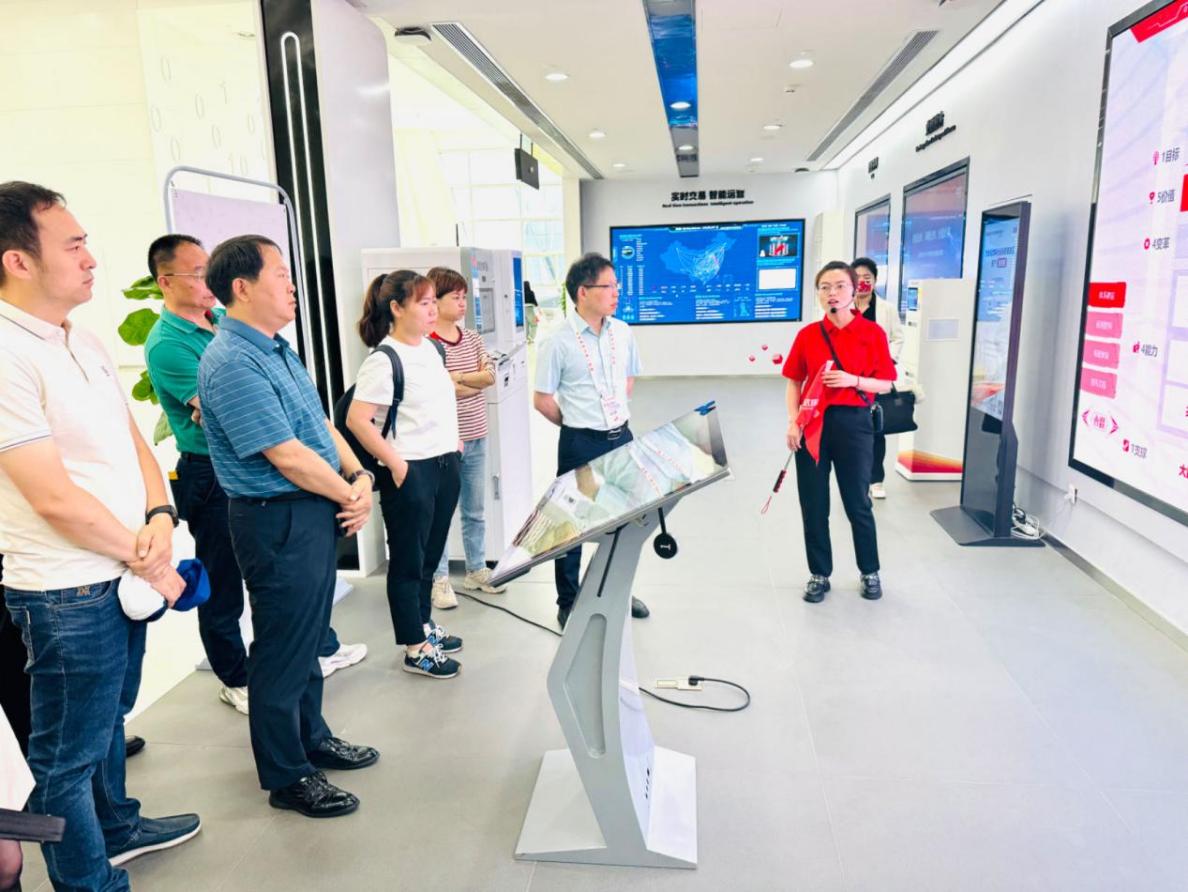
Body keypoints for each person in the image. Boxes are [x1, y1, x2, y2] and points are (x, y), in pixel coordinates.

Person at [0, 181, 200, 889]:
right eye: (74, 244)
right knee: (64, 760)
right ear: (18, 261)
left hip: (122, 570)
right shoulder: (6, 353)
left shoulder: (78, 338)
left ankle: (116, 827)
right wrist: (144, 557)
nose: (91, 257)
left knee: (108, 720)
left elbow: (131, 442)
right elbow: (52, 497)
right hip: (65, 591)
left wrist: (159, 517)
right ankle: (92, 882)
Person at [144, 235, 365, 717]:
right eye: (195, 273)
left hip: (294, 486)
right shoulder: (179, 347)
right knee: (229, 588)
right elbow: (267, 438)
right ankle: (237, 680)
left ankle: (313, 708)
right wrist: (349, 492)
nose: (206, 279)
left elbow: (309, 421)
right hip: (222, 477)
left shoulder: (254, 339)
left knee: (295, 614)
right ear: (166, 282)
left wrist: (356, 478)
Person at [197, 235, 379, 818]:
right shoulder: (231, 361)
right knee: (281, 647)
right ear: (242, 287)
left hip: (312, 507)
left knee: (308, 636)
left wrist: (358, 474)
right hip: (275, 517)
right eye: (280, 274)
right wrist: (349, 493)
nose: (293, 284)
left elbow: (319, 424)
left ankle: (312, 738)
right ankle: (287, 775)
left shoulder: (277, 349)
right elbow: (286, 455)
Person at [346, 271, 464, 680]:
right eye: (424, 303)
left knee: (429, 556)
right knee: (408, 562)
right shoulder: (384, 359)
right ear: (396, 308)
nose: (433, 310)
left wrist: (454, 443)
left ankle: (423, 624)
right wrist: (396, 465)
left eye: (433, 302)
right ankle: (415, 648)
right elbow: (357, 420)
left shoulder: (430, 349)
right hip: (410, 471)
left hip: (444, 464)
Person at [533, 253, 650, 629]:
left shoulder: (623, 332)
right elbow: (542, 399)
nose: (617, 292)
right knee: (569, 524)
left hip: (622, 438)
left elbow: (629, 378)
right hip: (580, 442)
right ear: (583, 292)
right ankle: (568, 601)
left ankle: (617, 591)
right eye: (608, 286)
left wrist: (612, 415)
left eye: (617, 286)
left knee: (625, 522)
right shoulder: (557, 341)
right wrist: (576, 425)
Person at [783, 260, 897, 603]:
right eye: (825, 287)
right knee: (813, 504)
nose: (832, 293)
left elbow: (886, 383)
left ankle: (869, 571)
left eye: (839, 286)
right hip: (812, 426)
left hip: (854, 425)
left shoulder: (871, 334)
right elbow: (794, 381)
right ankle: (819, 573)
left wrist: (853, 380)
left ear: (854, 290)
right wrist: (793, 421)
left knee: (857, 502)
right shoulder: (808, 335)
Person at [426, 265, 505, 608]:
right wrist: (464, 381)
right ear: (435, 300)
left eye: (464, 297)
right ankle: (439, 578)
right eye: (455, 297)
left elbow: (490, 376)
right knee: (441, 512)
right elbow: (441, 389)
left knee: (475, 510)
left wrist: (457, 378)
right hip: (444, 442)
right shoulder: (428, 343)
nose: (462, 304)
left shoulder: (471, 337)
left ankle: (476, 569)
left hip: (477, 434)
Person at [852, 257, 903, 500]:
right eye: (858, 277)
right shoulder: (842, 306)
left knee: (876, 429)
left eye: (867, 277)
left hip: (876, 378)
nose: (863, 282)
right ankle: (855, 478)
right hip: (850, 378)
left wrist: (888, 360)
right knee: (851, 429)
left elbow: (897, 337)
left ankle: (876, 480)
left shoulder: (886, 309)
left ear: (875, 280)